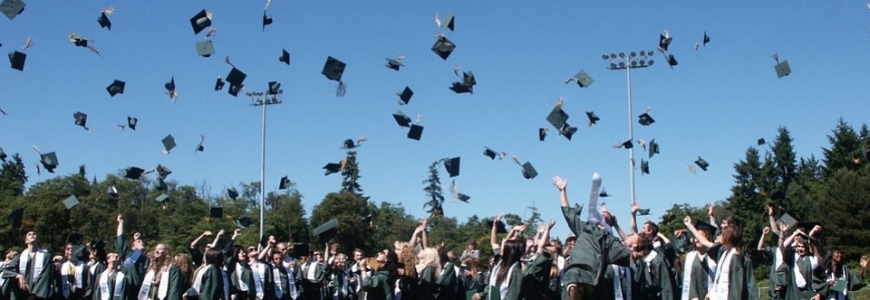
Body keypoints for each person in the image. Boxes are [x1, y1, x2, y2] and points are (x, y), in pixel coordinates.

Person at [552, 175, 631, 300]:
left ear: (610, 223)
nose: (601, 216)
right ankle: (573, 288)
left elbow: (630, 254)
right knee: (572, 277)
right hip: (575, 273)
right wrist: (563, 191)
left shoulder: (610, 241)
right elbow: (568, 213)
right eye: (600, 214)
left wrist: (637, 244)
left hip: (593, 279)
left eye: (606, 216)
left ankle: (577, 288)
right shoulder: (585, 228)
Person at [684, 216, 758, 300]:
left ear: (728, 237)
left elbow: (736, 287)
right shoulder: (723, 252)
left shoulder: (736, 256)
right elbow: (704, 241)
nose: (718, 236)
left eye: (722, 233)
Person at [2, 231, 56, 300]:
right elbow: (7, 271)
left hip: (37, 295)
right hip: (20, 293)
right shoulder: (20, 257)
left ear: (38, 239)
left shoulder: (46, 256)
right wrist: (19, 276)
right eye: (29, 234)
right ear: (26, 241)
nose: (32, 235)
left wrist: (34, 295)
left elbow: (46, 276)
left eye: (34, 234)